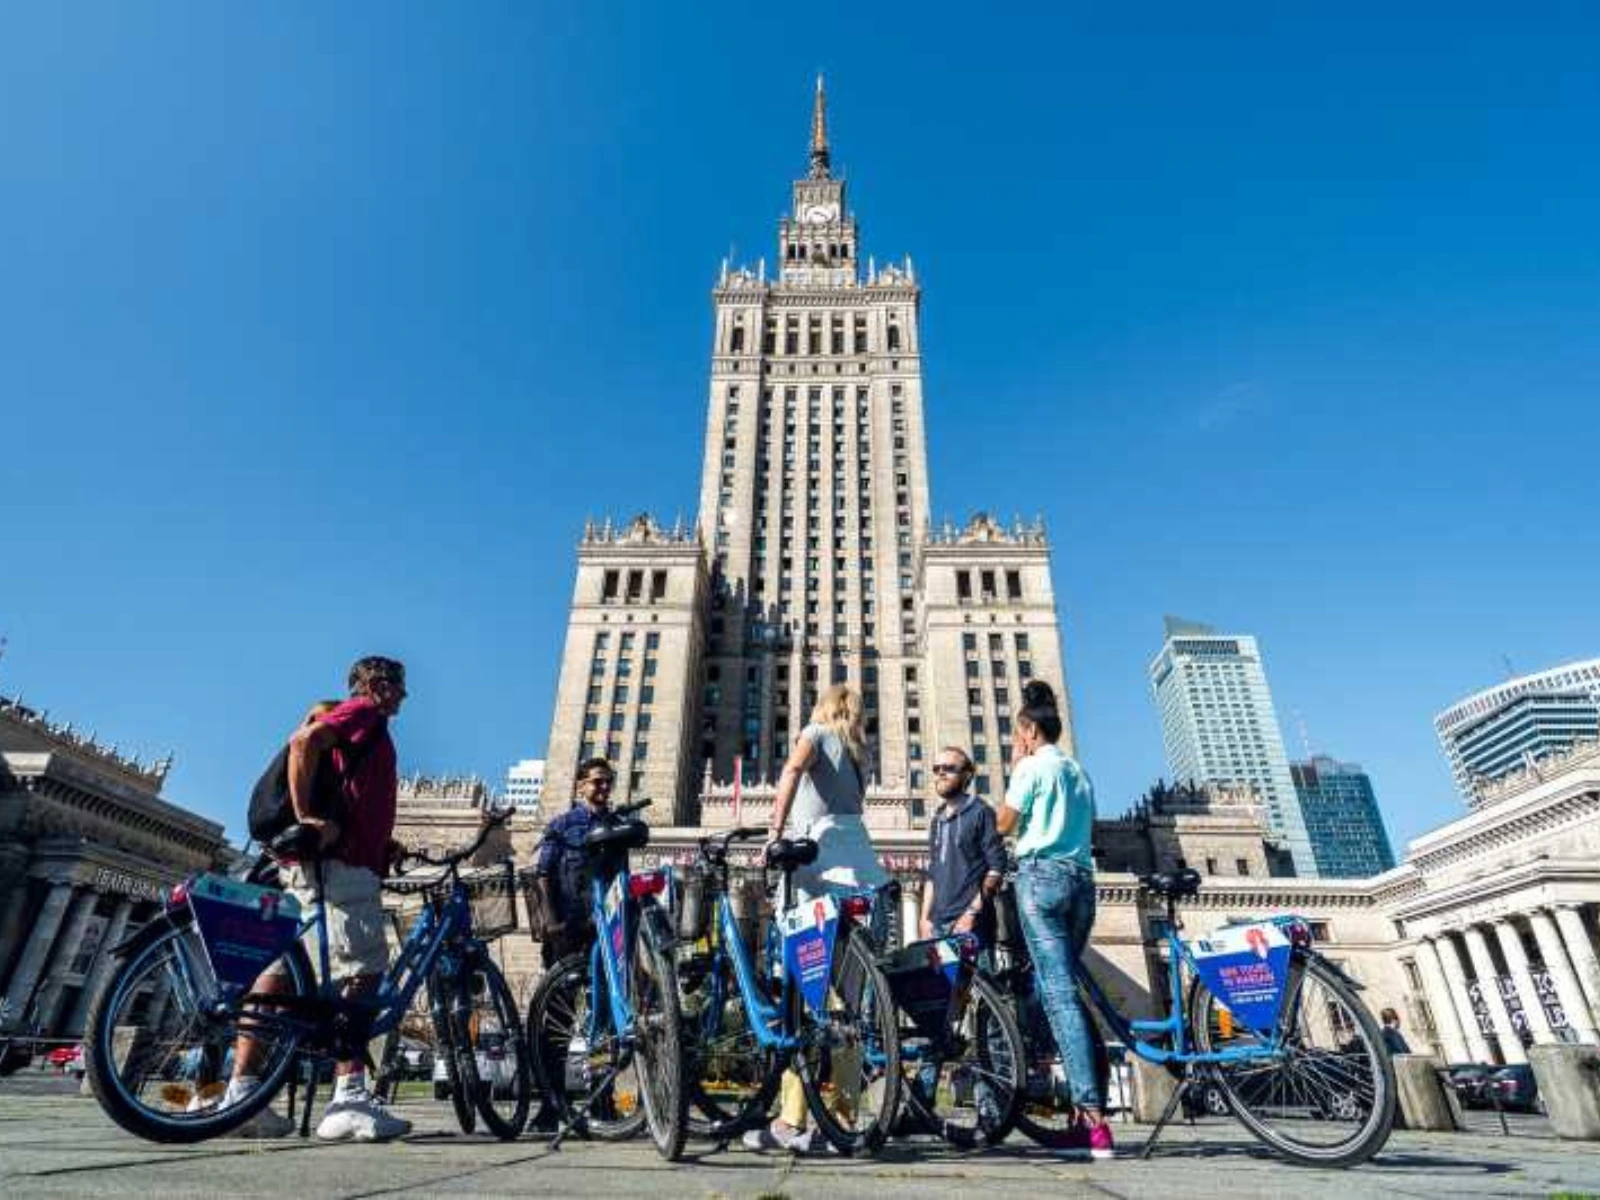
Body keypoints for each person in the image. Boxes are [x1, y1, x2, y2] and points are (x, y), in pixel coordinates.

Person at [220, 657, 411, 1142]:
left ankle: (241, 1095)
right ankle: (348, 1097)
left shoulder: (364, 727)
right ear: (375, 685)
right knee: (364, 970)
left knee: (281, 979)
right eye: (397, 687)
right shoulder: (362, 713)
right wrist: (306, 815)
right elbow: (304, 742)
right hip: (340, 872)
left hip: (321, 869)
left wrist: (380, 841)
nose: (402, 698)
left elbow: (349, 790)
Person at [743, 684, 889, 1153]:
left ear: (824, 709)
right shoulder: (857, 753)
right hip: (860, 865)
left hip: (816, 864)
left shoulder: (816, 731)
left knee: (801, 993)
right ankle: (843, 1118)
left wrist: (774, 831)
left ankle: (790, 1120)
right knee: (846, 1004)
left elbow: (790, 770)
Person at [994, 679, 1113, 1160]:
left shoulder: (1031, 766)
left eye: (1017, 734)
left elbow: (1005, 823)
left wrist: (1016, 773)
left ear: (1028, 732)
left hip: (1042, 878)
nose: (1016, 741)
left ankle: (1092, 1117)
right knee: (1061, 987)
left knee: (1059, 994)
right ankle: (1073, 1075)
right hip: (1084, 882)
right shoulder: (1079, 772)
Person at [528, 757, 616, 1130]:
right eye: (596, 782)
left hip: (604, 933)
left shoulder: (615, 826)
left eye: (608, 782)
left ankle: (601, 1101)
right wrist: (550, 922)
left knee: (606, 1019)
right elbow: (543, 873)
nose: (603, 788)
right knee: (559, 1018)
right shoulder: (563, 824)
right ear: (580, 785)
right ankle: (551, 1105)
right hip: (567, 930)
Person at [918, 747, 1005, 944]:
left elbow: (996, 869)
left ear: (967, 775)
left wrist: (971, 914)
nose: (941, 773)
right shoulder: (937, 819)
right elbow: (933, 872)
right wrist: (924, 919)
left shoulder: (981, 812)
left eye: (949, 768)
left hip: (971, 927)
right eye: (936, 768)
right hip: (936, 926)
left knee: (977, 976)